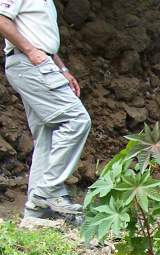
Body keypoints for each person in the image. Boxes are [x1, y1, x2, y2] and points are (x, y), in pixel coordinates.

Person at [0, 0, 90, 219]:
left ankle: (36, 214)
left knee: (46, 134)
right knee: (77, 120)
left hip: (39, 62)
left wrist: (62, 68)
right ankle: (48, 192)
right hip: (29, 63)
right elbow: (1, 19)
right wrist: (32, 52)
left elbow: (42, 40)